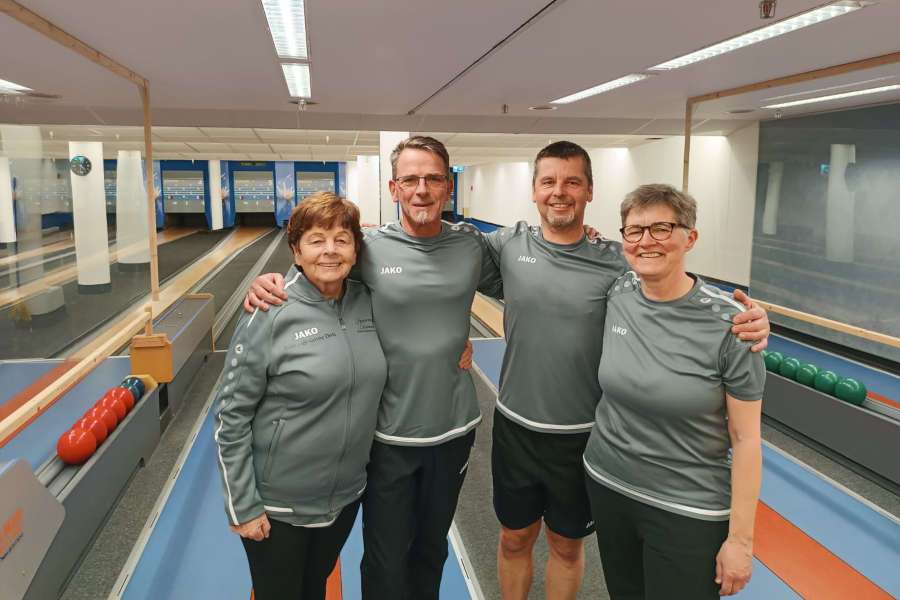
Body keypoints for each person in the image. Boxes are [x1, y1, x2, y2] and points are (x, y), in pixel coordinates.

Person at [483, 143, 769, 599]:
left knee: (566, 545)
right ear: (534, 191)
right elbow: (445, 271)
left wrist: (752, 319)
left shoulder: (618, 262)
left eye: (572, 181)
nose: (560, 192)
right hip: (523, 429)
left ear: (589, 191)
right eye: (549, 182)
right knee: (514, 538)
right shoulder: (509, 245)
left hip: (583, 437)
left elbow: (678, 285)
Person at [245, 136, 501, 599]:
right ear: (394, 187)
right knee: (384, 558)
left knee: (431, 551)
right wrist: (269, 283)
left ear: (448, 187)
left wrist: (582, 237)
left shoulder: (471, 245)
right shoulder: (370, 250)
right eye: (411, 179)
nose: (422, 189)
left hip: (454, 428)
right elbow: (319, 273)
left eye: (434, 179)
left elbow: (527, 269)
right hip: (386, 435)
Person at [582, 183, 765, 599]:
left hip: (688, 508)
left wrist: (741, 541)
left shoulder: (732, 326)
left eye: (662, 229)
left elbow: (747, 439)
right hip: (610, 487)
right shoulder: (619, 291)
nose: (647, 241)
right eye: (635, 230)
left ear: (690, 238)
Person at [213, 192, 388, 599]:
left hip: (344, 499)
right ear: (295, 250)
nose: (330, 250)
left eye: (342, 239)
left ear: (355, 249)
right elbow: (231, 416)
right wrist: (243, 505)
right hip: (279, 508)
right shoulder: (270, 309)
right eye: (316, 239)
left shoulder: (367, 303)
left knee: (313, 589)